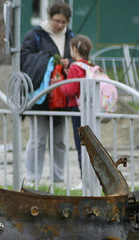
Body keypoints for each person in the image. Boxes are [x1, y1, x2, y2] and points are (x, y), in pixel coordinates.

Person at [19, 2, 74, 188]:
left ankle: (58, 180)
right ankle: (33, 179)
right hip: (40, 97)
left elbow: (79, 58)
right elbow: (24, 61)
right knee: (38, 139)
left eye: (63, 23)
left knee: (60, 141)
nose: (60, 26)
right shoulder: (34, 36)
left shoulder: (71, 37)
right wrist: (50, 61)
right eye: (57, 21)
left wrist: (70, 62)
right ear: (49, 17)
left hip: (62, 97)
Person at [59, 35, 93, 175]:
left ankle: (83, 177)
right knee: (91, 146)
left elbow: (71, 90)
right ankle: (91, 177)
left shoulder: (74, 67)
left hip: (77, 109)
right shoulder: (90, 65)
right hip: (89, 109)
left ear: (74, 49)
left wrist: (61, 84)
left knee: (81, 145)